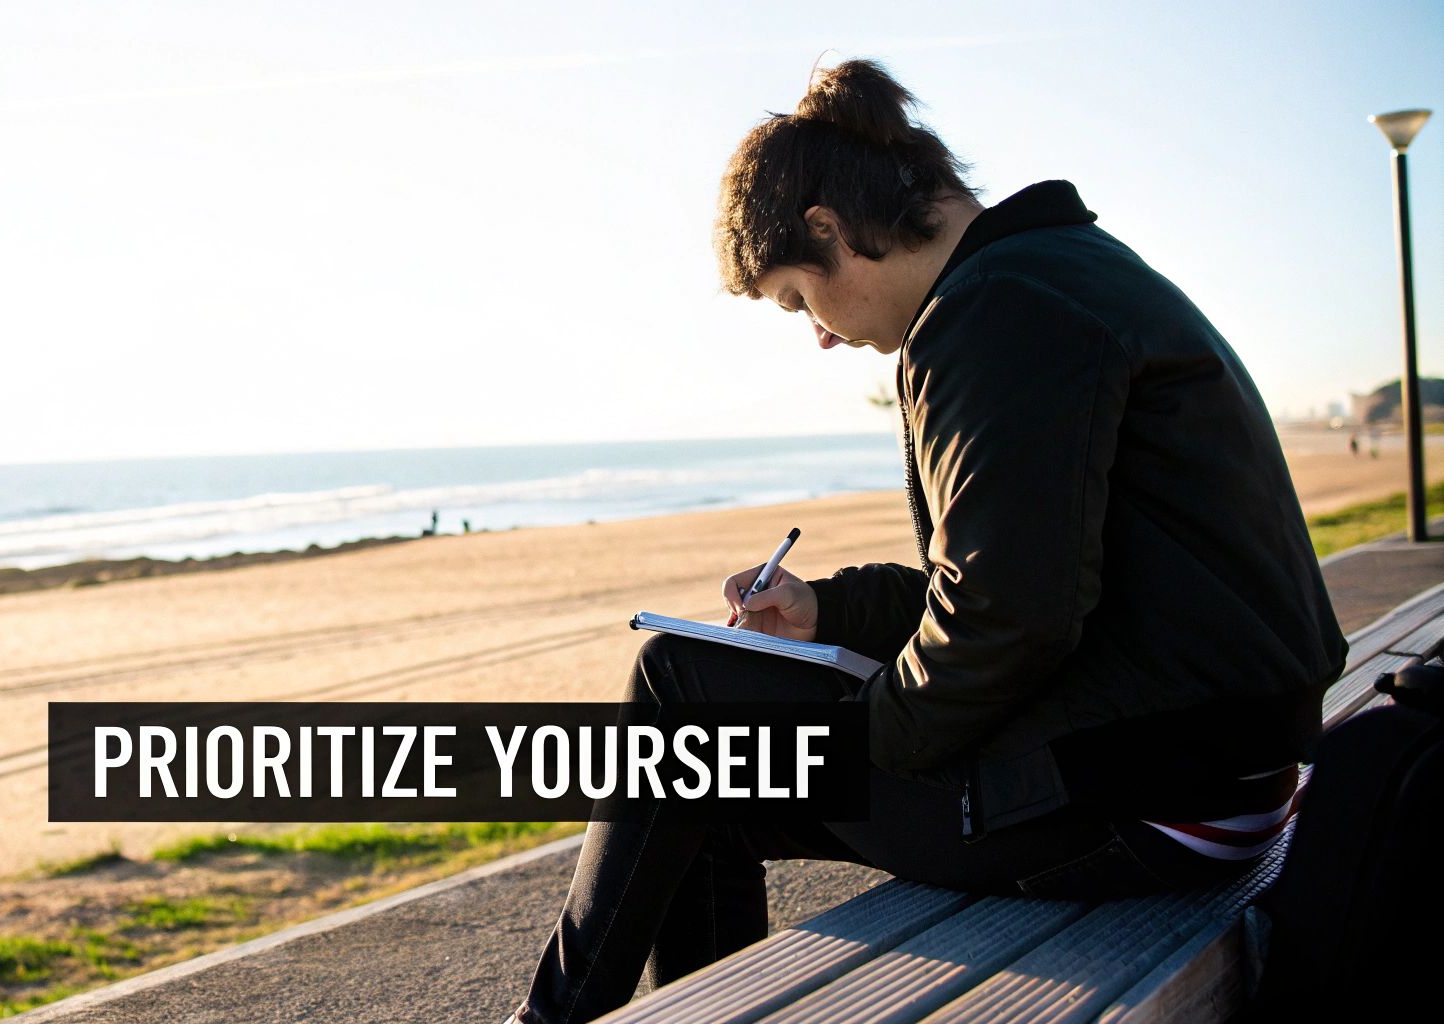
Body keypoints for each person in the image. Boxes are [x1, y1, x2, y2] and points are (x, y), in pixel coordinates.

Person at [506, 58, 1347, 1024]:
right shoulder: (1057, 270)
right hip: (1206, 767)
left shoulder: (997, 311)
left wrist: (864, 731)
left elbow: (1007, 618)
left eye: (797, 300)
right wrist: (827, 611)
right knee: (705, 790)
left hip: (1150, 799)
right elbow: (1023, 576)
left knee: (679, 683)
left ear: (829, 230)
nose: (819, 336)